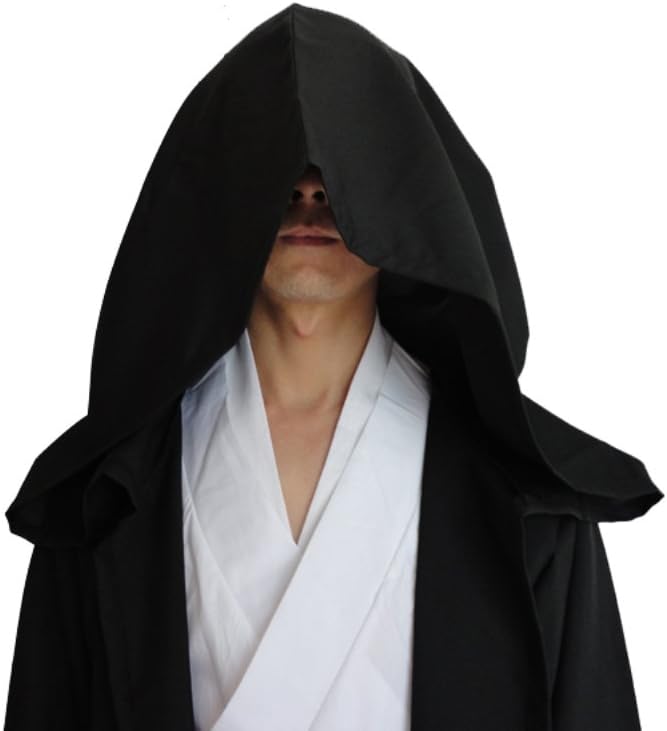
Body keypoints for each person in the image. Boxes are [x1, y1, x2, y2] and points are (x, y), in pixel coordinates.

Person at [3, 4, 663, 730]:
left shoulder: (526, 502)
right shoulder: (106, 494)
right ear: (218, 192)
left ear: (402, 199)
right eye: (277, 163)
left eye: (338, 167)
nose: (309, 191)